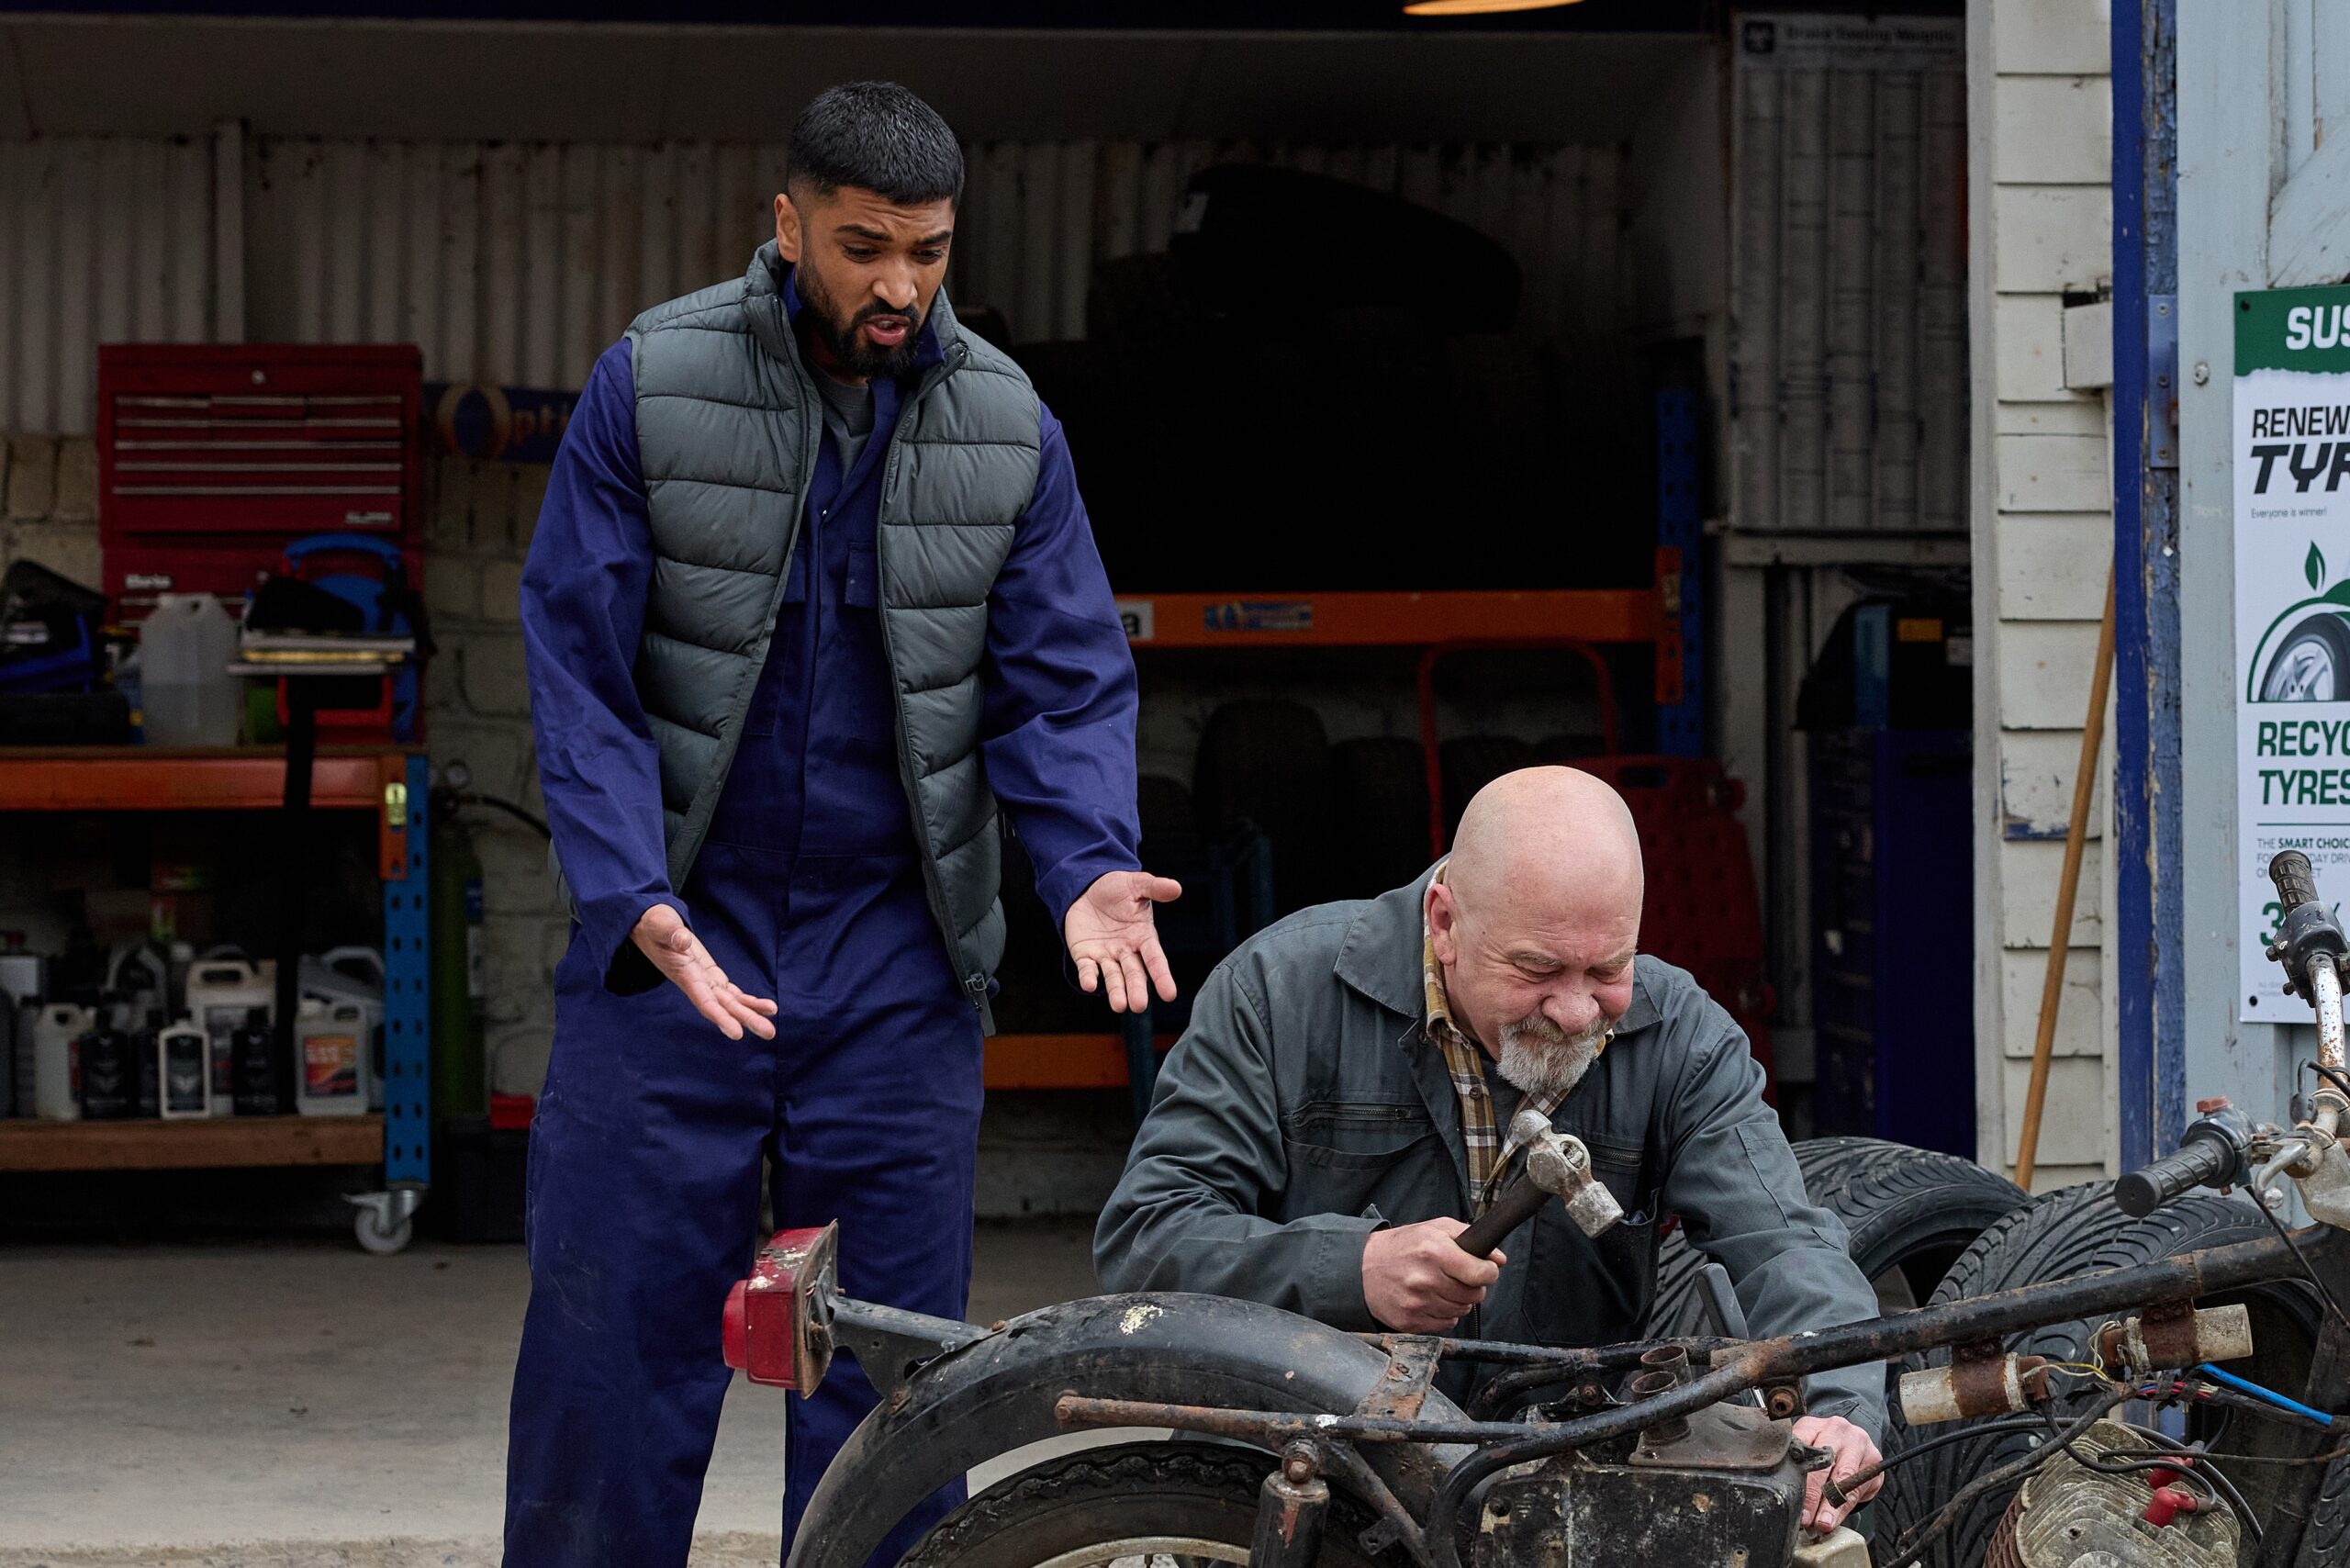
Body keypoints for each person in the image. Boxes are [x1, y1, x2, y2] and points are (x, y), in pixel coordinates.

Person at [509, 81, 1180, 1568]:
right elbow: (581, 663)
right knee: (611, 1357)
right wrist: (629, 890)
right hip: (676, 955)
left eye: (928, 250)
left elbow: (1062, 681)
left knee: (895, 1388)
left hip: (895, 964)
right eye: (864, 245)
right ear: (788, 222)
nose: (899, 284)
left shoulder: (1008, 426)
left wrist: (1080, 862)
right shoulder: (654, 385)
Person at [1096, 766, 1886, 1533]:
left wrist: (1842, 1408)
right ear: (1443, 921)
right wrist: (1352, 1269)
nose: (1578, 1012)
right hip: (1299, 1481)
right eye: (1537, 969)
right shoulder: (1278, 993)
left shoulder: (1679, 1033)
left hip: (1550, 1489)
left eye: (1608, 968)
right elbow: (1147, 1239)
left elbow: (1784, 1241)